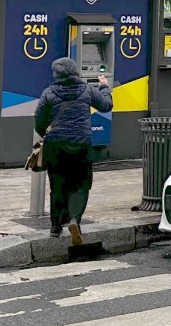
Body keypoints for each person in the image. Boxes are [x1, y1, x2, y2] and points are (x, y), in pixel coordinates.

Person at [34, 58, 112, 245]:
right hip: (81, 146)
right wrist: (104, 87)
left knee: (57, 186)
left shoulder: (49, 93)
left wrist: (45, 133)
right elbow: (106, 106)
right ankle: (74, 220)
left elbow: (39, 120)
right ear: (75, 72)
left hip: (56, 146)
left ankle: (55, 227)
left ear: (56, 74)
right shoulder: (87, 89)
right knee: (80, 185)